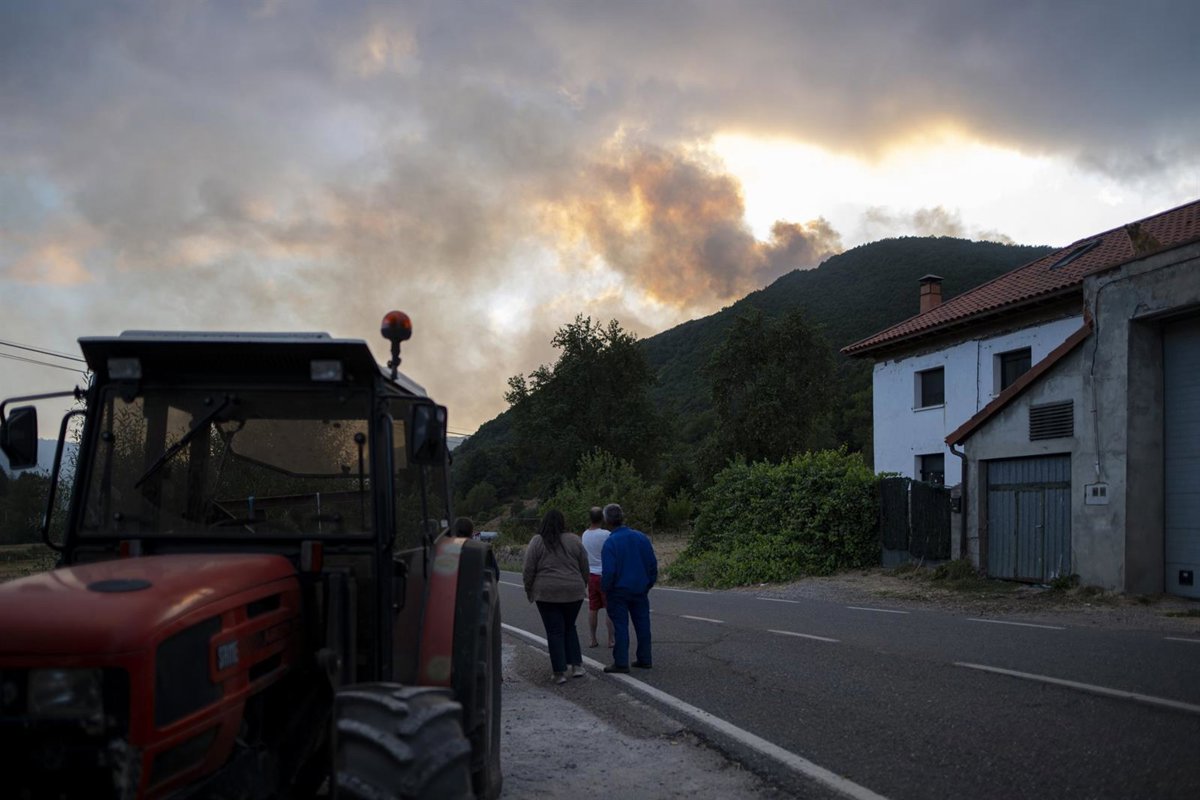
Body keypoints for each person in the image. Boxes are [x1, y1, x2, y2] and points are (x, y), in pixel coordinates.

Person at [522, 509, 589, 684]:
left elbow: (528, 569)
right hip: (573, 590)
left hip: (547, 592)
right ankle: (577, 666)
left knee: (554, 631)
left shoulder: (537, 541)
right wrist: (582, 584)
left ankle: (559, 672)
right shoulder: (574, 540)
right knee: (569, 626)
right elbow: (584, 565)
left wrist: (529, 590)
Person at [599, 503, 657, 673]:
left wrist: (605, 588)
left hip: (619, 591)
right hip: (639, 588)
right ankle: (645, 658)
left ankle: (621, 661)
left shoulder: (610, 543)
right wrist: (649, 583)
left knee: (620, 626)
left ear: (607, 521)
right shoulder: (641, 538)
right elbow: (652, 564)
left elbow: (609, 571)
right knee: (643, 624)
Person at [580, 506, 615, 649]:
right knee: (609, 608)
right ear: (602, 518)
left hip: (591, 575)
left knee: (593, 608)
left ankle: (593, 638)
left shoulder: (585, 535)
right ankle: (611, 639)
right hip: (604, 574)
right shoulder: (606, 534)